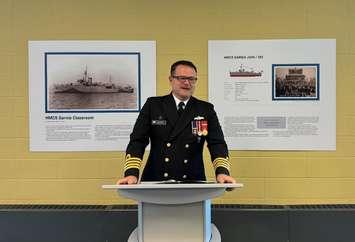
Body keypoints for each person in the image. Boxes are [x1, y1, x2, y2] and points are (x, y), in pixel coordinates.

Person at [117, 60, 236, 184]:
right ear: (171, 79)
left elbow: (217, 143)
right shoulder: (153, 105)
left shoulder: (205, 109)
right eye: (181, 78)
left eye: (192, 79)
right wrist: (131, 173)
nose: (187, 83)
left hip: (193, 181)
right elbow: (138, 141)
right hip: (155, 181)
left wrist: (222, 172)